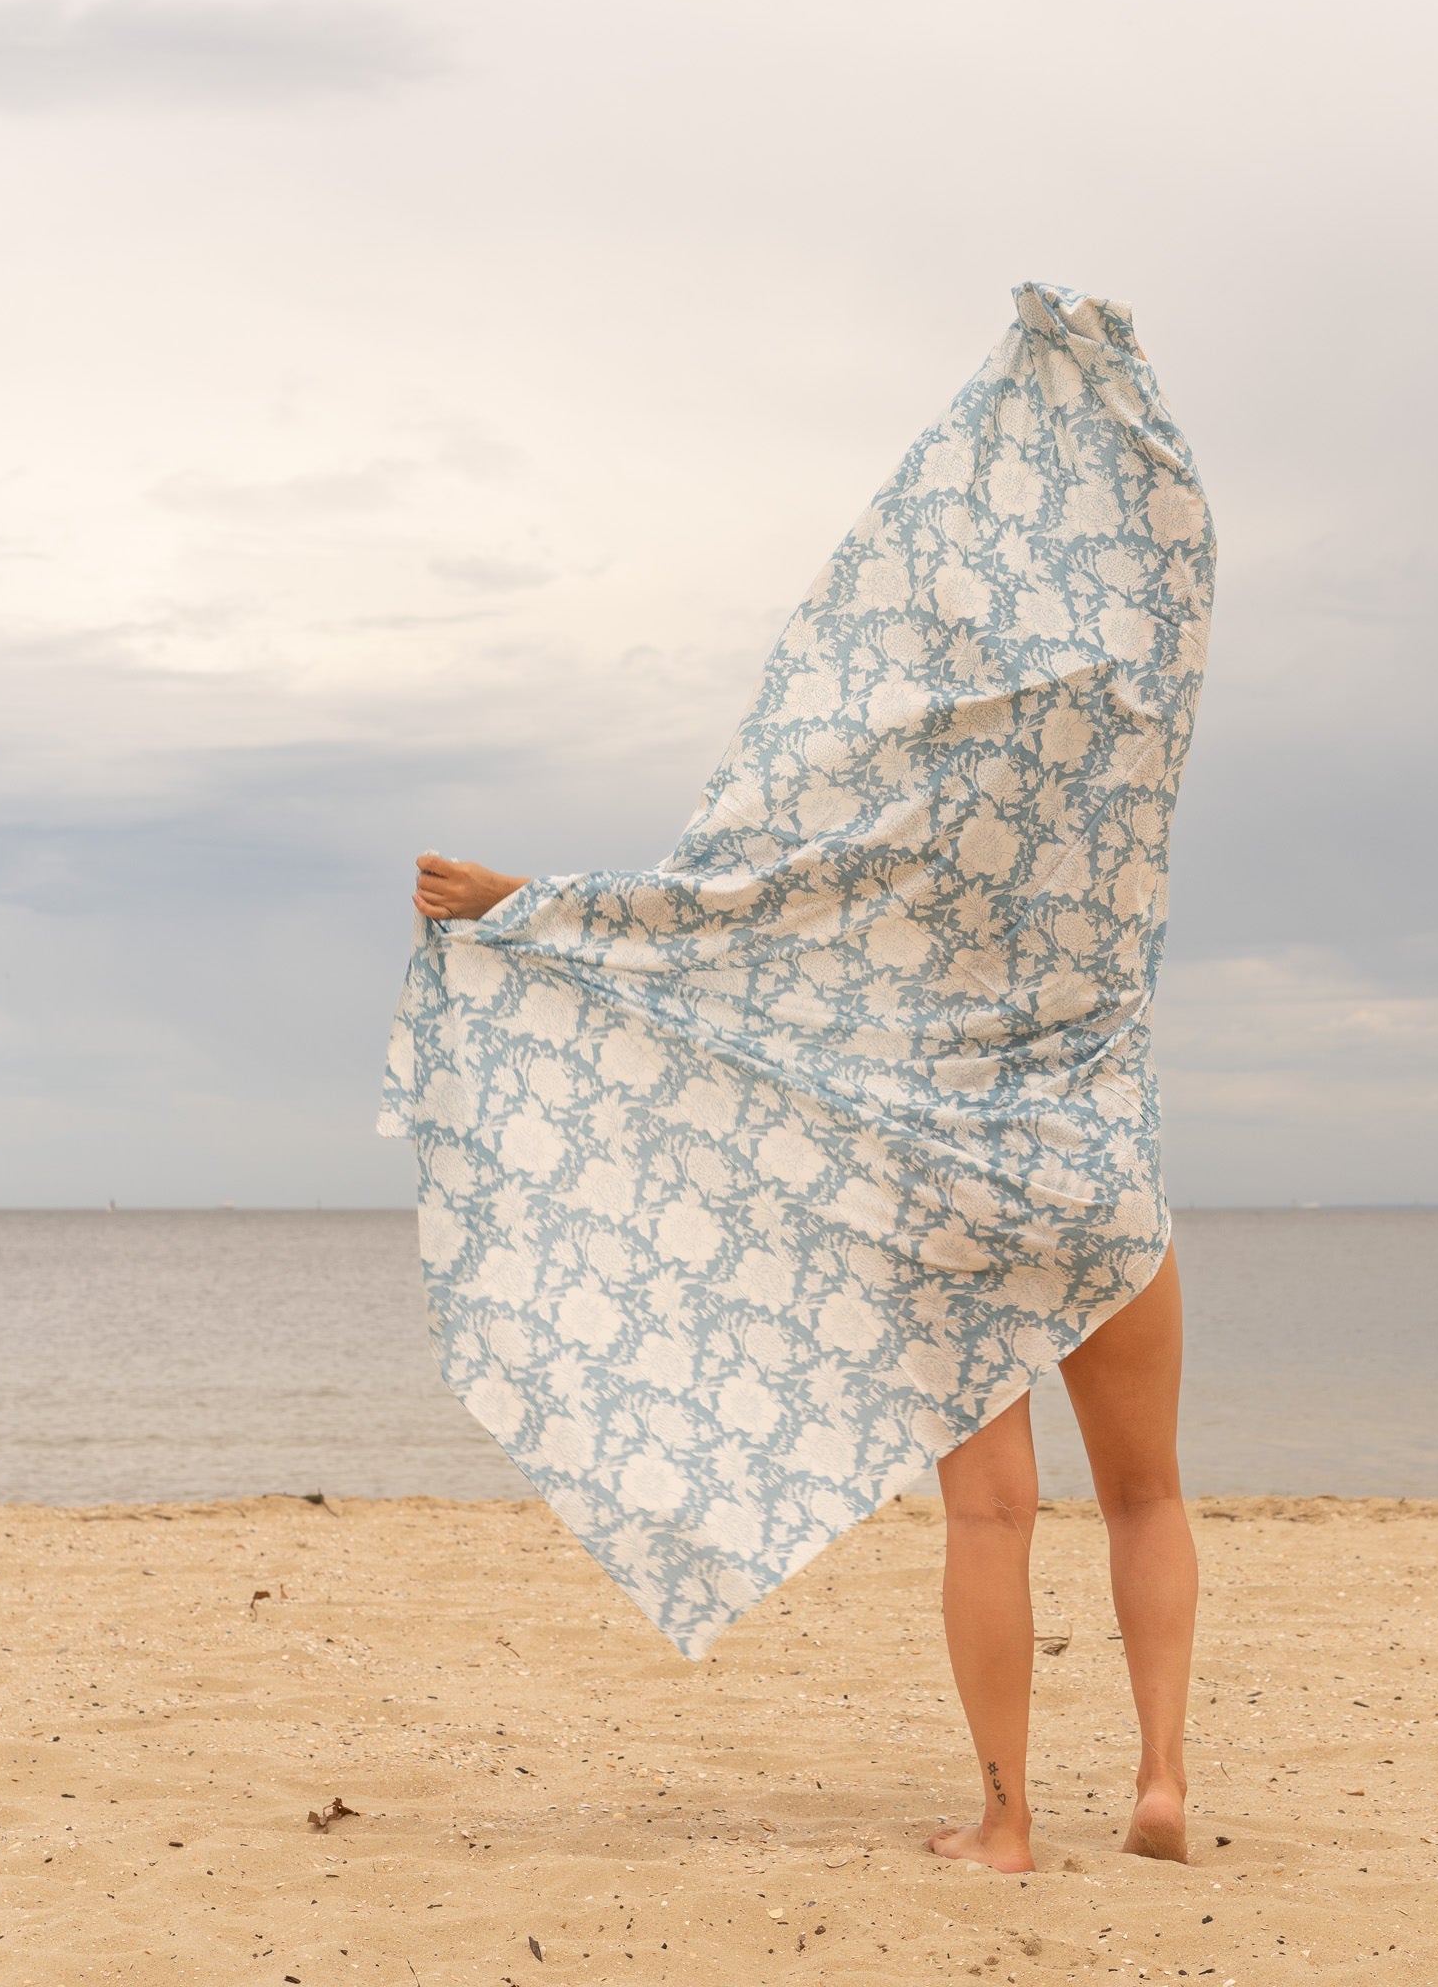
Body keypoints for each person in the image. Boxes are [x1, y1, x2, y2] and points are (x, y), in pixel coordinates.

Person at [387, 284, 1212, 1872]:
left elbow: (734, 916)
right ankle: (1163, 1777)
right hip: (1101, 1188)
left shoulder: (904, 794)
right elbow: (1171, 581)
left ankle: (1006, 1821)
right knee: (1148, 1495)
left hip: (941, 1198)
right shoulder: (1136, 750)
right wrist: (1127, 434)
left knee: (991, 1516)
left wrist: (524, 908)